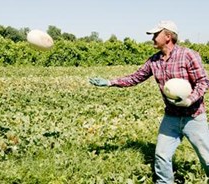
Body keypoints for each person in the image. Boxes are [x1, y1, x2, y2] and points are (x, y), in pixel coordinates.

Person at [89, 20, 209, 183]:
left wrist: (189, 100)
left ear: (168, 36)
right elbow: (135, 77)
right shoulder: (154, 61)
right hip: (171, 117)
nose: (152, 38)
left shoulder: (188, 55)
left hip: (193, 116)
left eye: (155, 34)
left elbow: (203, 82)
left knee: (207, 158)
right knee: (161, 155)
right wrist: (110, 82)